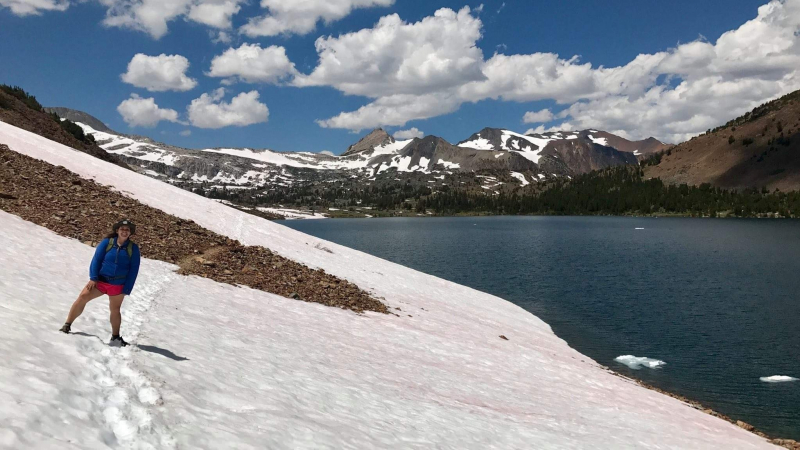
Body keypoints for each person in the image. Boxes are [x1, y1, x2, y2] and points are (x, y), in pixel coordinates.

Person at [59, 219, 141, 347]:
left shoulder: (133, 249)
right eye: (122, 229)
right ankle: (67, 324)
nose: (124, 232)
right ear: (117, 231)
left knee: (115, 309)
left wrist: (127, 289)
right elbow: (96, 260)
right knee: (82, 298)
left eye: (127, 230)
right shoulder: (107, 243)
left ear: (130, 233)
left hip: (118, 284)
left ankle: (115, 337)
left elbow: (134, 270)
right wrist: (93, 277)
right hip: (100, 281)